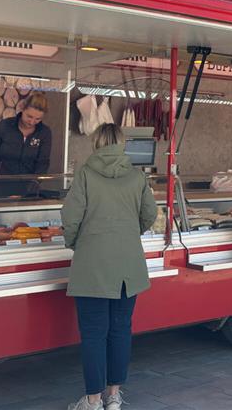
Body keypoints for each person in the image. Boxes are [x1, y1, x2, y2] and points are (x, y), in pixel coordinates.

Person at [62, 124, 158, 410]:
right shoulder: (137, 176)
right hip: (128, 268)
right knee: (120, 331)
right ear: (121, 144)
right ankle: (114, 397)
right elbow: (150, 214)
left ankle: (93, 401)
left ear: (96, 144)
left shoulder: (85, 174)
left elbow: (71, 218)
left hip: (92, 267)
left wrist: (77, 242)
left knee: (93, 334)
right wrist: (129, 233)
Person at [0, 91, 52, 197]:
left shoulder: (44, 133)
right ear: (22, 109)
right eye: (29, 116)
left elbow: (43, 162)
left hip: (28, 189)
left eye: (37, 119)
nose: (32, 122)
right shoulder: (4, 127)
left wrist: (36, 182)